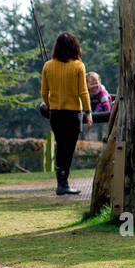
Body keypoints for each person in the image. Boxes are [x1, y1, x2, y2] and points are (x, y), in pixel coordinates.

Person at [41, 31, 92, 195]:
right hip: (73, 114)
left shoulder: (48, 66)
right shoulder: (78, 66)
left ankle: (61, 183)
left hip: (55, 114)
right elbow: (83, 92)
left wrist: (50, 105)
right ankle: (63, 184)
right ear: (74, 47)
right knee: (68, 149)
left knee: (60, 146)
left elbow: (44, 92)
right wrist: (88, 112)